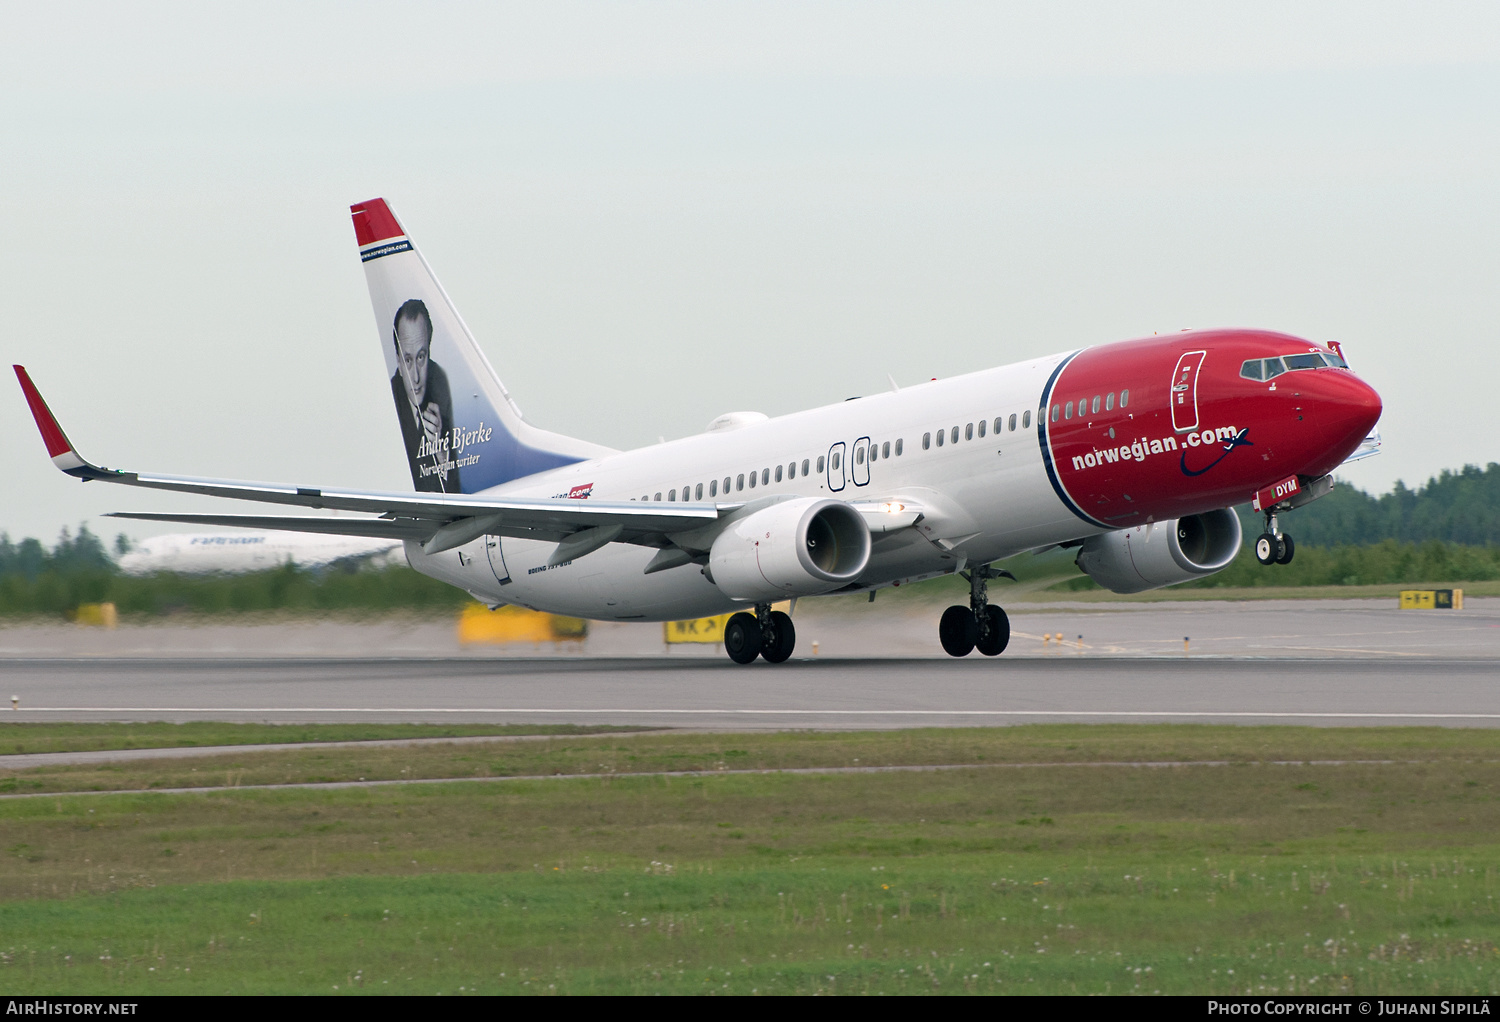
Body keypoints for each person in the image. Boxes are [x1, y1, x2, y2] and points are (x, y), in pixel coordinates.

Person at [389, 298, 460, 492]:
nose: (416, 377)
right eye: (407, 360)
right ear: (398, 362)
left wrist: (441, 452)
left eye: (421, 357)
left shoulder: (443, 388)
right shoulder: (391, 403)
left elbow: (459, 490)